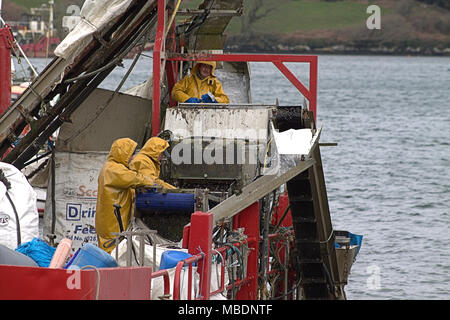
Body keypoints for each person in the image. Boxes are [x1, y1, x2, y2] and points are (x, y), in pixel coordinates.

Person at [95, 138, 154, 253]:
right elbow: (134, 178)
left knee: (109, 252)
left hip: (108, 220)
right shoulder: (115, 169)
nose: (132, 158)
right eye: (131, 155)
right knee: (113, 253)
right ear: (123, 154)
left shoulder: (109, 167)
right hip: (113, 222)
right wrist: (151, 181)